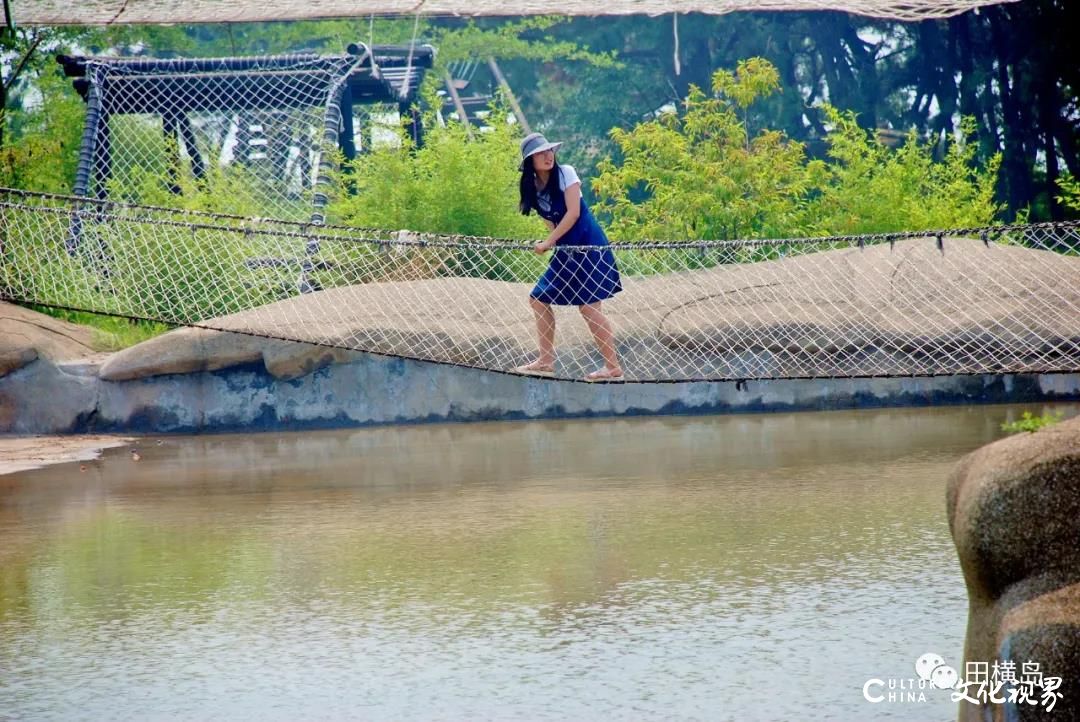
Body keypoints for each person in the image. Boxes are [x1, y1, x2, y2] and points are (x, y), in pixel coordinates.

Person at [512, 132, 624, 381]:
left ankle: (612, 367)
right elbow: (550, 222)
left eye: (549, 151)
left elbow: (573, 214)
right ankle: (545, 360)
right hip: (566, 251)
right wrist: (552, 243)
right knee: (538, 299)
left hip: (588, 245)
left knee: (589, 306)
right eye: (540, 153)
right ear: (530, 161)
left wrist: (547, 244)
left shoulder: (566, 173)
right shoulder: (533, 188)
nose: (547, 156)